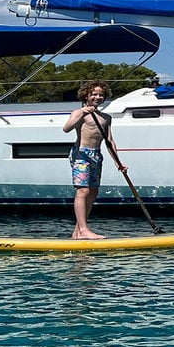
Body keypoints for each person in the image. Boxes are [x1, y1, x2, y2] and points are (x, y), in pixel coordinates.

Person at [63, 80, 127, 239]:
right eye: (94, 94)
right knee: (83, 190)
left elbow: (110, 141)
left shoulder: (106, 117)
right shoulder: (79, 112)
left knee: (93, 191)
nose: (98, 97)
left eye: (101, 95)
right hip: (81, 154)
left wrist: (118, 162)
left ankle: (78, 230)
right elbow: (66, 128)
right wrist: (83, 113)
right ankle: (84, 230)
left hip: (96, 155)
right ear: (86, 95)